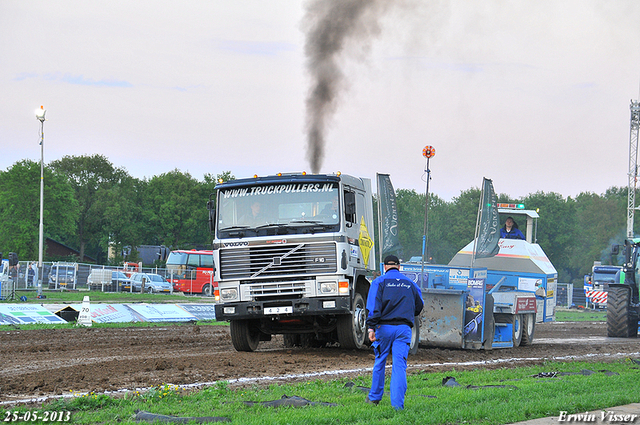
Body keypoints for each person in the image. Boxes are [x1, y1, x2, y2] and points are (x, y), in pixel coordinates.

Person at [366, 255, 424, 410]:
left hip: (383, 328)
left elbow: (373, 307)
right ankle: (398, 406)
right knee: (399, 366)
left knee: (380, 361)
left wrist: (371, 327)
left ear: (384, 267)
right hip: (404, 329)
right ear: (399, 266)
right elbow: (419, 305)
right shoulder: (410, 283)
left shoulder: (379, 282)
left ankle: (374, 398)